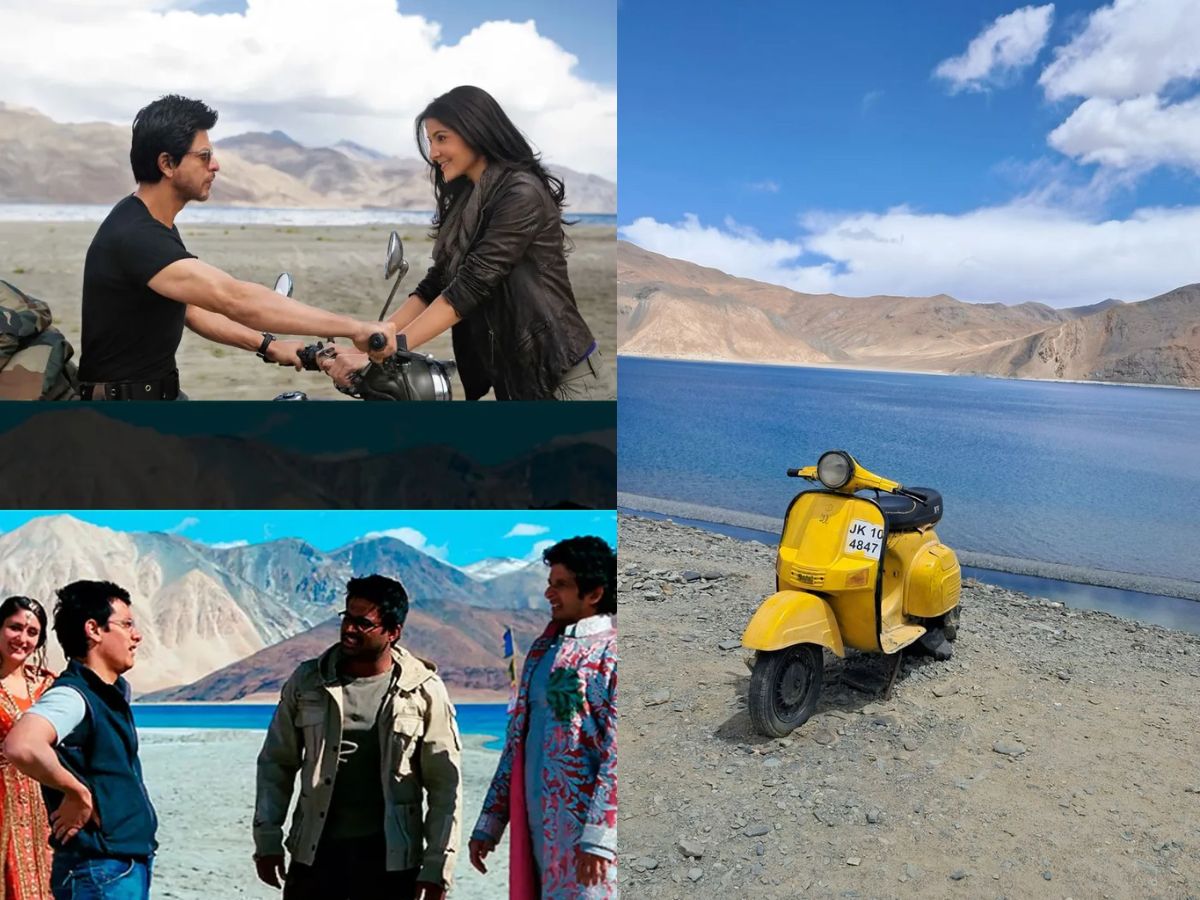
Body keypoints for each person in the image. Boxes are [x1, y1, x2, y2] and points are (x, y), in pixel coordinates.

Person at [78, 94, 396, 400]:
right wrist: (354, 328)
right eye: (203, 157)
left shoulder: (151, 223)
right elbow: (235, 299)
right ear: (167, 164)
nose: (215, 165)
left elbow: (191, 309)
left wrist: (268, 346)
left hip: (155, 398)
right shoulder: (136, 236)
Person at [321, 85, 599, 400]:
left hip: (557, 365)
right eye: (429, 141)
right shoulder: (467, 199)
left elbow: (471, 286)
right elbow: (437, 283)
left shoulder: (521, 194)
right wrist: (377, 336)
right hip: (510, 365)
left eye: (442, 138)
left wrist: (386, 351)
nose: (433, 152)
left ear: (476, 131)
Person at [253, 575, 462, 900]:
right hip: (315, 854)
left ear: (393, 632)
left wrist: (438, 866)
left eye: (362, 623)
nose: (349, 629)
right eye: (346, 618)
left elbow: (445, 786)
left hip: (393, 861)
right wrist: (267, 839)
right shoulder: (309, 682)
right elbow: (275, 764)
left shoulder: (422, 690)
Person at [470, 536, 617, 898]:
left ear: (594, 593)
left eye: (561, 586)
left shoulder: (609, 656)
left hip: (587, 837)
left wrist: (599, 839)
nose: (549, 594)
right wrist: (489, 824)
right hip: (539, 831)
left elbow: (619, 753)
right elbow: (517, 743)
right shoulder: (541, 652)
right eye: (550, 584)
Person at [2, 581, 156, 900]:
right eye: (127, 624)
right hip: (96, 862)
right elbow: (22, 744)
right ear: (93, 629)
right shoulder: (72, 695)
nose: (136, 635)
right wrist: (75, 790)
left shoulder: (70, 687)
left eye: (32, 632)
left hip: (94, 846)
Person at [0, 596, 56, 899]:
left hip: (45, 806)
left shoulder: (48, 687)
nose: (22, 639)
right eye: (15, 628)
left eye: (32, 632)